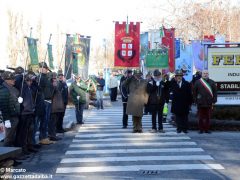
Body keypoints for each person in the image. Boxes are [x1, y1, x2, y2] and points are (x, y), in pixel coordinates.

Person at [193, 69, 217, 134]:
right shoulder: (197, 82)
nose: (205, 74)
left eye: (206, 73)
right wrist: (195, 101)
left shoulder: (212, 82)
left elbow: (215, 92)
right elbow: (194, 92)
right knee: (200, 117)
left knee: (208, 118)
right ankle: (201, 129)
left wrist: (214, 100)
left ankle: (207, 129)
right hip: (200, 103)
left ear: (208, 74)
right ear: (202, 74)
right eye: (204, 73)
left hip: (209, 103)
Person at [0, 71, 20, 146]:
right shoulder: (4, 89)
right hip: (9, 117)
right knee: (8, 137)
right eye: (12, 79)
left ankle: (12, 154)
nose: (14, 80)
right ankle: (8, 155)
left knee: (12, 136)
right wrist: (6, 119)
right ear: (6, 80)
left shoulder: (12, 88)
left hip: (14, 114)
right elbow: (4, 106)